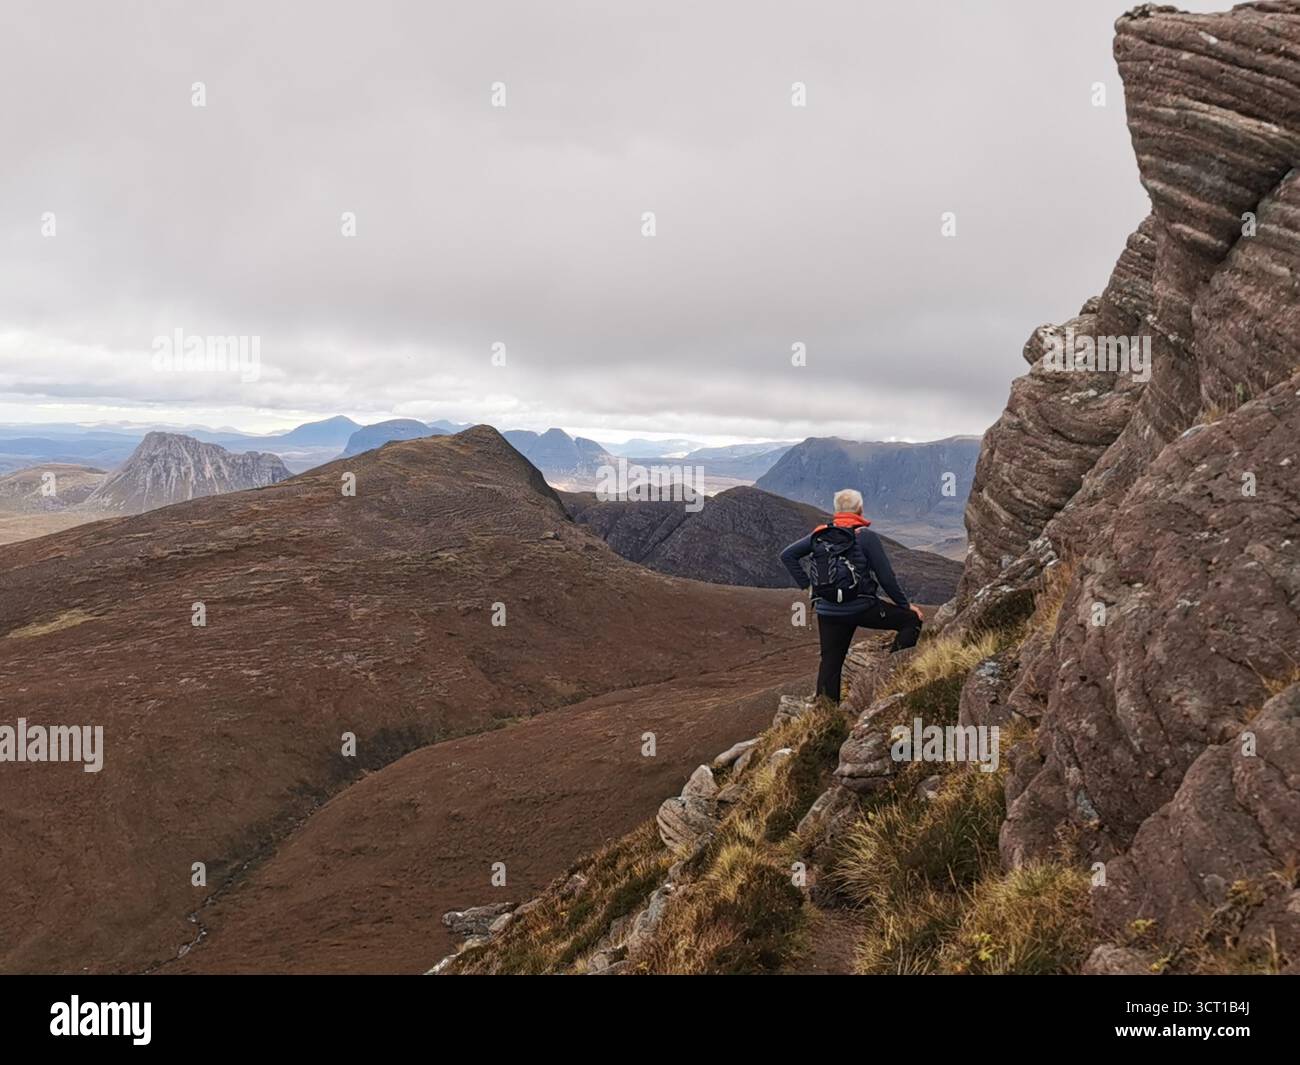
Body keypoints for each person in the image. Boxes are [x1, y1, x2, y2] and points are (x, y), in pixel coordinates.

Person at [779, 488, 924, 703]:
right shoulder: (865, 537)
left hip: (827, 610)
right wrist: (905, 605)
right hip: (862, 608)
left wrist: (809, 588)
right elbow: (886, 577)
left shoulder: (820, 535)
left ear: (837, 511)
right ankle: (891, 679)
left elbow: (787, 555)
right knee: (910, 622)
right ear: (860, 509)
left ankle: (825, 716)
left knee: (830, 662)